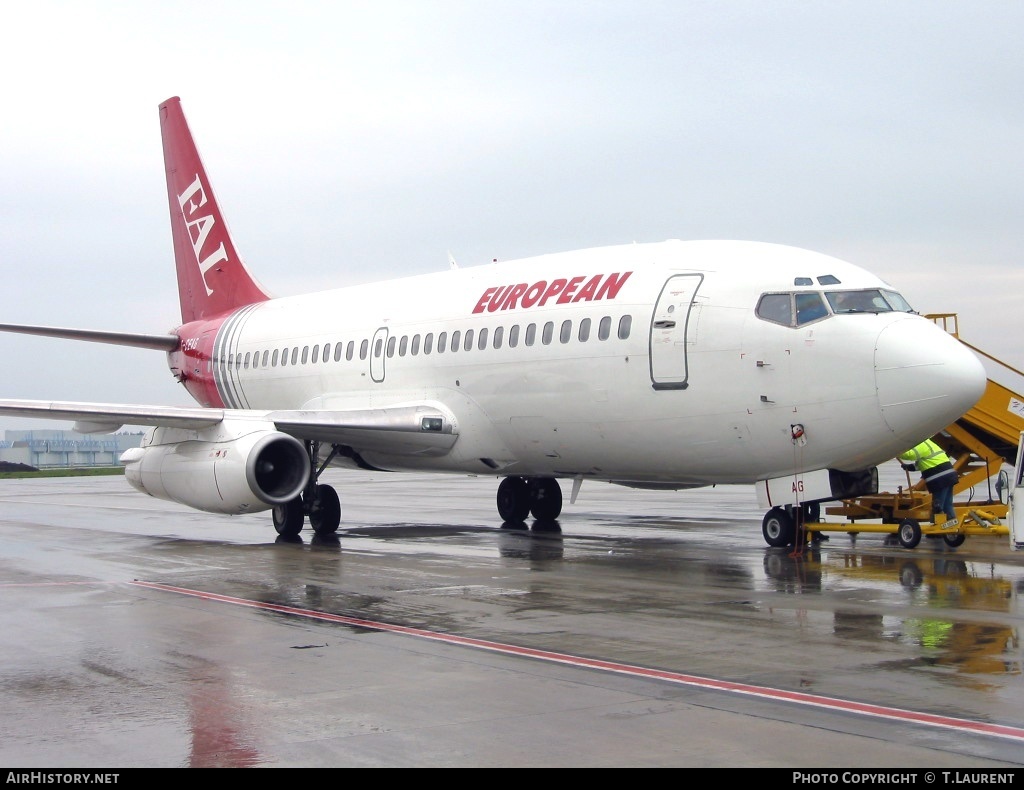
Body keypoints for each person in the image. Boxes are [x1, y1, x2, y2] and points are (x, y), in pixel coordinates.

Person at [898, 438, 958, 524]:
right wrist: (908, 467)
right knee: (947, 504)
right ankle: (952, 525)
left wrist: (896, 452)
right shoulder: (929, 443)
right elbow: (923, 463)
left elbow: (910, 455)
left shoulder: (921, 444)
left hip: (940, 479)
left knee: (938, 506)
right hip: (949, 476)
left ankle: (938, 528)